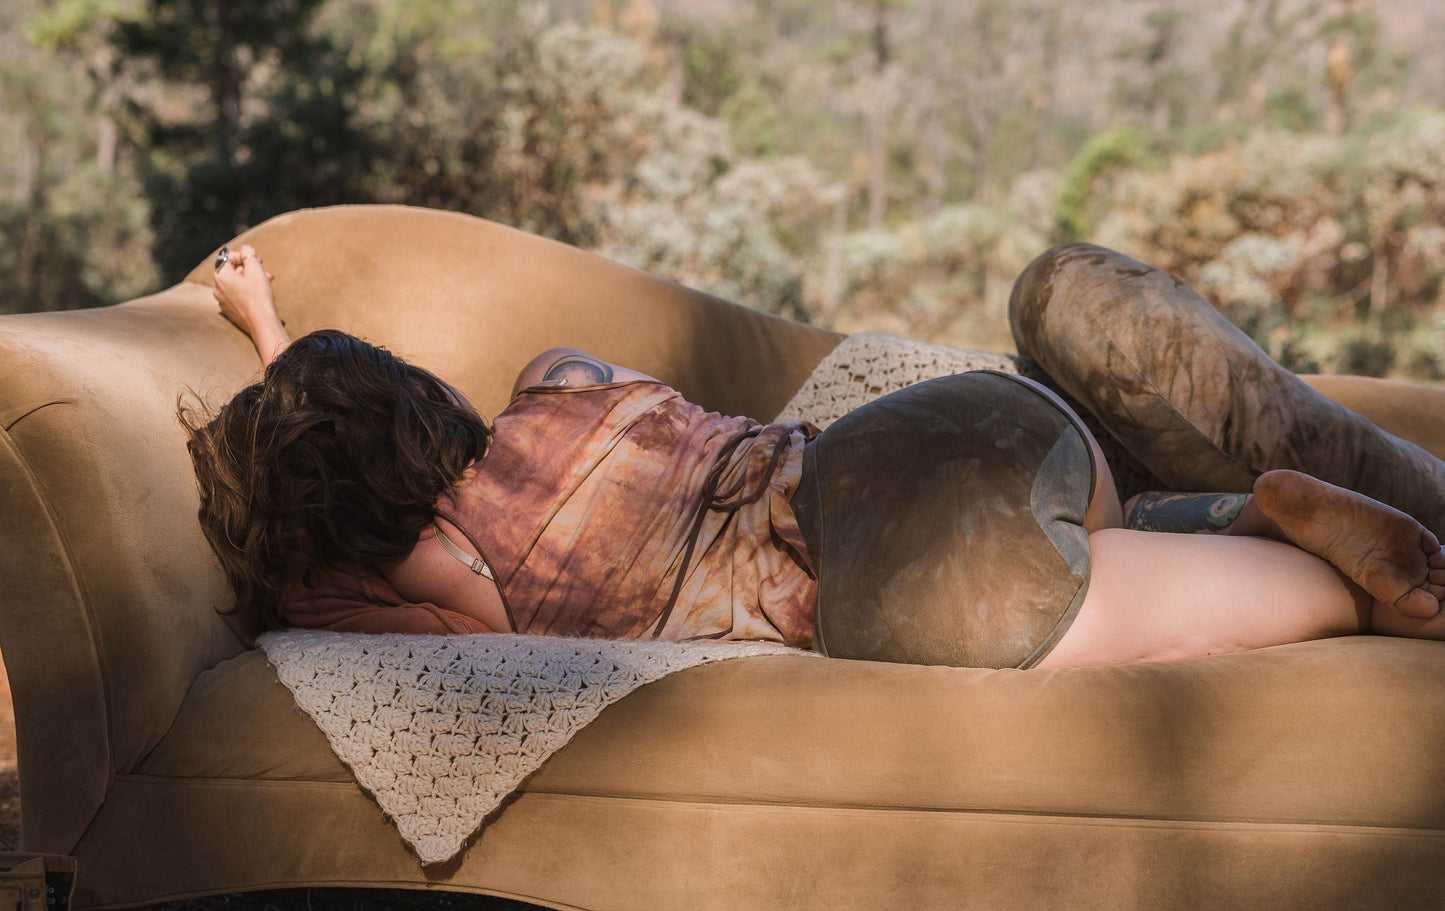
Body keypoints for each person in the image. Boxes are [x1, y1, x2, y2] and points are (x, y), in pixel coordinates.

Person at [184, 242, 1445, 671]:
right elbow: (351, 417)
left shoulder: (441, 569)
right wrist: (287, 334)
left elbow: (318, 602)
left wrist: (263, 352)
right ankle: (1256, 513)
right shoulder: (559, 383)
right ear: (422, 401)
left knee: (1083, 609)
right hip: (971, 426)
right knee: (1097, 539)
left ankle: (1342, 587)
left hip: (892, 561)